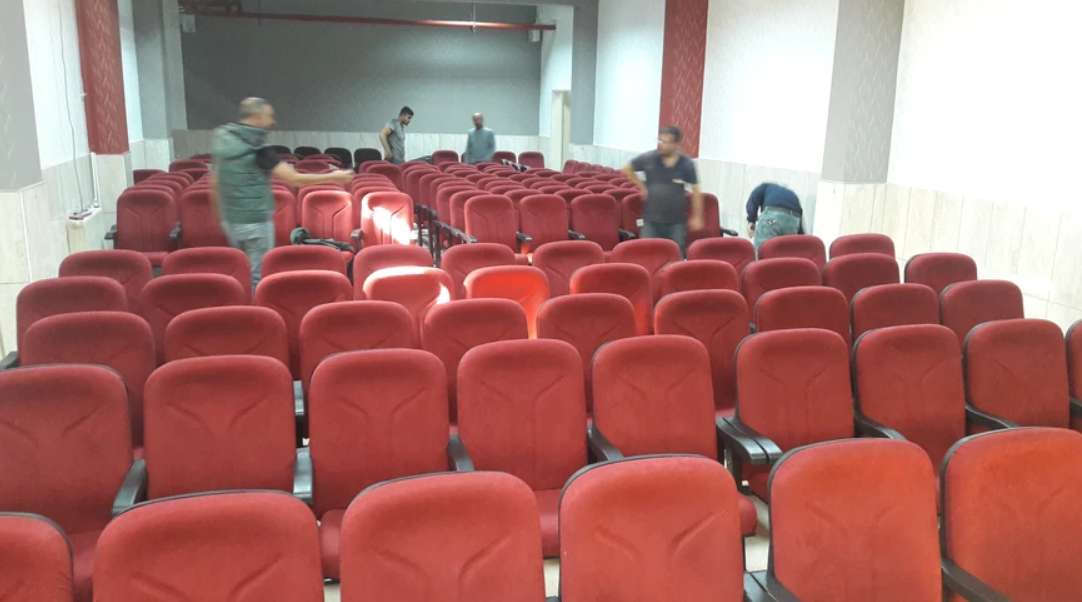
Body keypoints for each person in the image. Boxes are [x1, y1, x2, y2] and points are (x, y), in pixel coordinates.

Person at [210, 98, 353, 292]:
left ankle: (242, 304)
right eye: (269, 116)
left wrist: (221, 216)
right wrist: (334, 176)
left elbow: (215, 183)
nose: (272, 121)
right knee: (258, 276)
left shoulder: (223, 143)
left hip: (231, 221)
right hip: (255, 222)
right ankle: (255, 308)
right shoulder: (258, 150)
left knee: (240, 271)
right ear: (256, 117)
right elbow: (294, 178)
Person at [623, 126, 703, 254]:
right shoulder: (649, 158)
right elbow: (627, 168)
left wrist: (697, 216)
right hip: (651, 221)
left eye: (666, 142)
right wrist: (641, 186)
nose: (662, 145)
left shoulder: (686, 164)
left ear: (676, 144)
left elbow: (696, 191)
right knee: (647, 255)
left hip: (677, 223)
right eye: (660, 141)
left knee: (675, 256)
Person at [746, 182, 803, 251]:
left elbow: (753, 199)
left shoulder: (765, 186)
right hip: (793, 221)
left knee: (761, 250)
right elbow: (799, 219)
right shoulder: (792, 195)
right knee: (785, 254)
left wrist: (751, 220)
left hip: (773, 216)